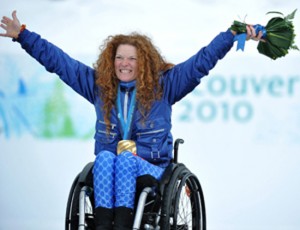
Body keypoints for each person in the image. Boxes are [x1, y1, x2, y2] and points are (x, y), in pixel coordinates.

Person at [0, 10, 262, 230]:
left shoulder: (166, 87)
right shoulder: (99, 87)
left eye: (132, 58)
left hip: (152, 170)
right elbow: (60, 63)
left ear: (144, 62)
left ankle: (123, 224)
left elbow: (201, 62)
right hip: (109, 169)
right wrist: (24, 36)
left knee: (124, 159)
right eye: (119, 57)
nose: (124, 63)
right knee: (104, 157)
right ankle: (104, 224)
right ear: (111, 61)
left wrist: (231, 35)